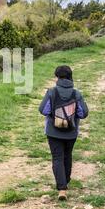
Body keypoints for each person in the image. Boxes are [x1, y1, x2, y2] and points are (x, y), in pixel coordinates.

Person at [38, 65, 88, 200]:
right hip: (71, 132)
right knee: (67, 156)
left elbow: (43, 110)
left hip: (53, 132)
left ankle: (62, 189)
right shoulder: (76, 93)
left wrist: (56, 114)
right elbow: (83, 114)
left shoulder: (51, 92)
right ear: (71, 76)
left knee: (57, 158)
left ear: (57, 77)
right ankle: (65, 181)